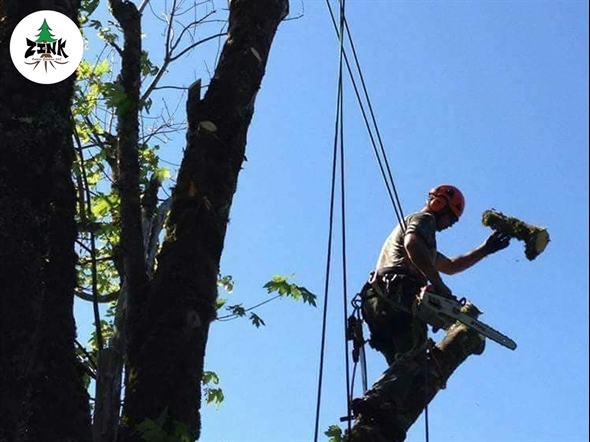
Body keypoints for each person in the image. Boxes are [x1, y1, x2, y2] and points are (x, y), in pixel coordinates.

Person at [351, 184, 511, 442]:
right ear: (439, 204)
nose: (449, 225)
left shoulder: (423, 238)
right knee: (415, 356)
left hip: (375, 304)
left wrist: (485, 249)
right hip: (396, 297)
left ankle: (384, 416)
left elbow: (451, 265)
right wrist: (438, 284)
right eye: (450, 218)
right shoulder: (423, 220)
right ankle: (379, 399)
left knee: (409, 371)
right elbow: (413, 245)